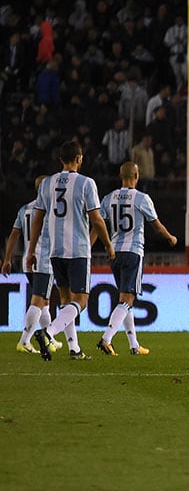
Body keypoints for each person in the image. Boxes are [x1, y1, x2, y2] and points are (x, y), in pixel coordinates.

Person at [29, 141, 116, 361]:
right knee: (82, 301)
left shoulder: (47, 184)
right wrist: (107, 244)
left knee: (66, 300)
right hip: (77, 250)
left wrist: (31, 250)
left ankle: (74, 348)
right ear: (79, 159)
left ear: (60, 160)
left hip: (55, 250)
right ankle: (47, 332)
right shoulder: (86, 183)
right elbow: (96, 218)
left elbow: (38, 218)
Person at [95, 162, 177, 356]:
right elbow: (156, 226)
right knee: (127, 300)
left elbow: (98, 225)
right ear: (137, 175)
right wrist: (170, 237)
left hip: (114, 253)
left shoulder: (109, 198)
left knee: (125, 299)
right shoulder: (142, 199)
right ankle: (106, 339)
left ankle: (134, 345)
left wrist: (93, 247)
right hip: (132, 252)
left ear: (120, 175)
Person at [2, 175, 63, 355]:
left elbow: (14, 234)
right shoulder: (50, 209)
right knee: (38, 300)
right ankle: (25, 341)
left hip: (27, 260)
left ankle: (49, 339)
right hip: (42, 259)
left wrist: (7, 259)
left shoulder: (24, 209)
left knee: (44, 302)